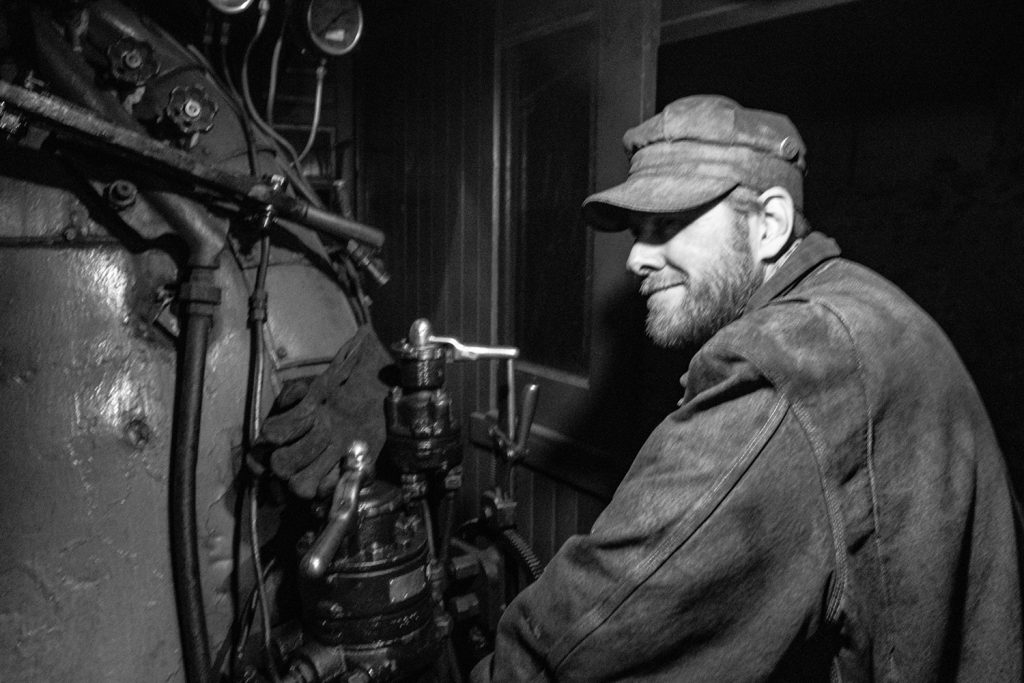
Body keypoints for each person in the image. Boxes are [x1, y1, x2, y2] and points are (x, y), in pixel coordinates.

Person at [472, 95, 1023, 681]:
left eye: (668, 224)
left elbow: (598, 627)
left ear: (770, 225)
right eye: (638, 231)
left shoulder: (787, 365)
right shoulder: (859, 300)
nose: (636, 257)